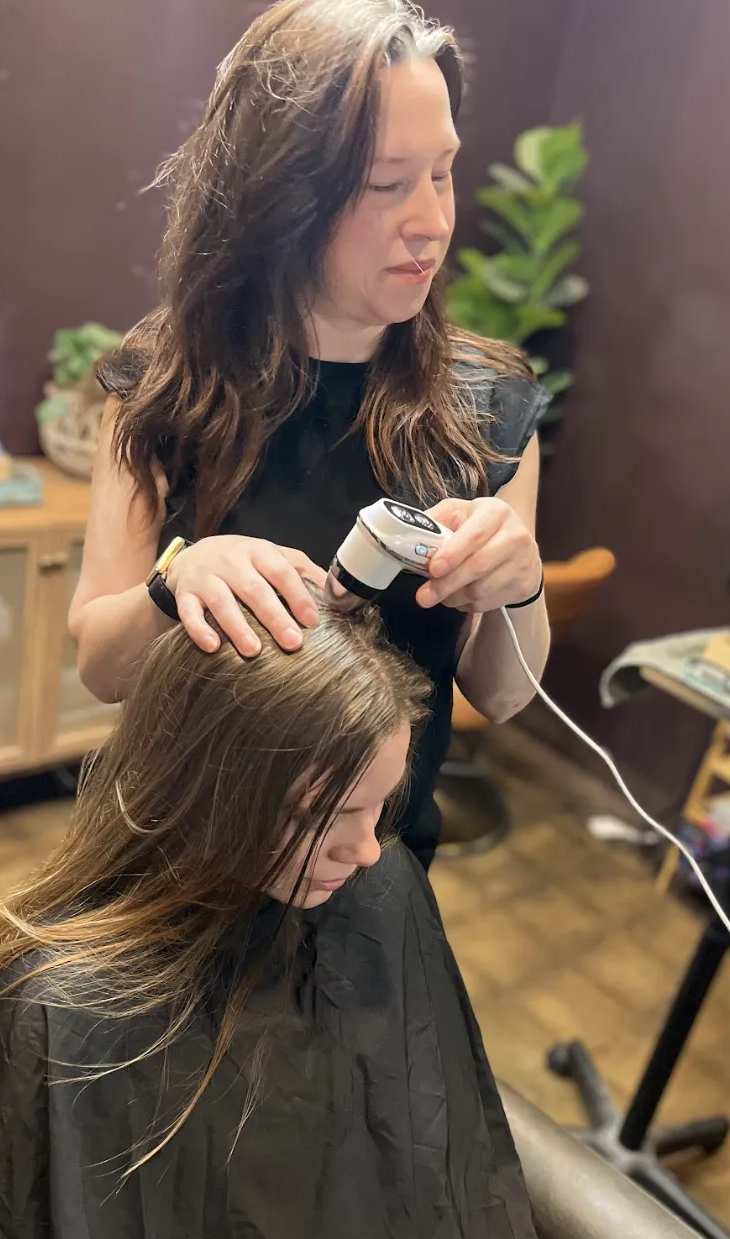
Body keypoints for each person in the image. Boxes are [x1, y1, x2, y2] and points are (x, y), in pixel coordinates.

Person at [0, 598, 553, 1239]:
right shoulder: (52, 1013)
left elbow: (435, 1167)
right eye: (325, 815)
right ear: (210, 793)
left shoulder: (382, 890)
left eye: (379, 807)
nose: (368, 849)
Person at [69, 0, 551, 874]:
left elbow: (502, 693)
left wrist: (519, 586)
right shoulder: (164, 388)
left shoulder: (491, 407)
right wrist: (176, 584)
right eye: (385, 183)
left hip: (371, 865)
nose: (432, 221)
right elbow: (103, 668)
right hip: (184, 863)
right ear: (279, 192)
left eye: (442, 174)